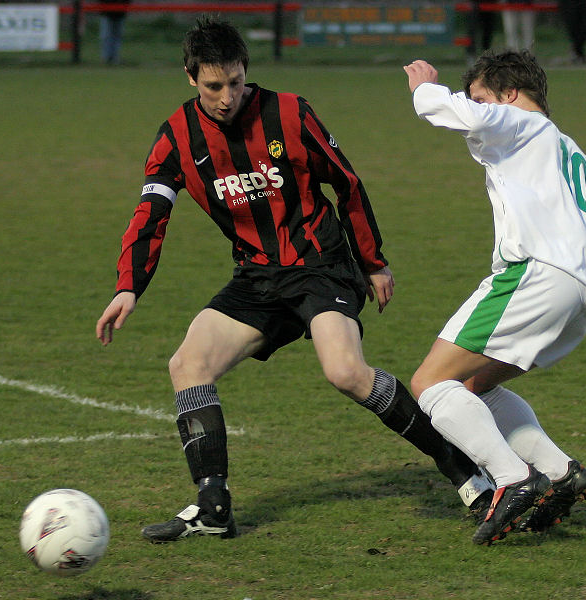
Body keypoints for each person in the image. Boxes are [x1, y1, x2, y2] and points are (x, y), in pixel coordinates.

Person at [96, 16, 494, 543]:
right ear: (191, 78)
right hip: (258, 277)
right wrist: (129, 285)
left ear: (245, 72)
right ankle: (213, 506)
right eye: (214, 86)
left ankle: (465, 471)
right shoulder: (175, 137)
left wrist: (372, 262)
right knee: (188, 364)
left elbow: (346, 184)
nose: (226, 97)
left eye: (235, 82)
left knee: (345, 371)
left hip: (321, 264)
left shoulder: (289, 112)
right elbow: (151, 214)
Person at [403, 50, 586, 545]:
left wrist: (425, 87)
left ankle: (513, 478)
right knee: (474, 387)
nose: (480, 109)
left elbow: (457, 113)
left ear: (509, 95)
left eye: (484, 97)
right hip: (582, 293)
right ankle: (558, 470)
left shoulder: (525, 124)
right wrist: (577, 274)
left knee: (429, 384)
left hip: (535, 274)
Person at [99, 0, 130, 65]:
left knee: (117, 36)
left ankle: (114, 57)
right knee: (106, 36)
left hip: (119, 13)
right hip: (107, 12)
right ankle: (106, 57)